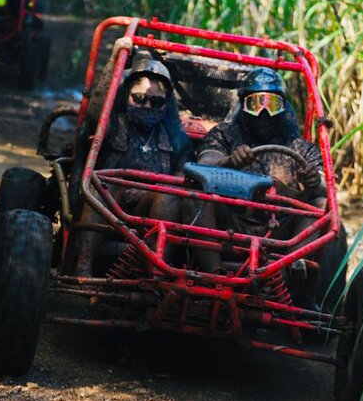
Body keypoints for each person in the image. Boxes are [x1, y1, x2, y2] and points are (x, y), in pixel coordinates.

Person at [194, 67, 346, 310]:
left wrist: (313, 183)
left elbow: (325, 191)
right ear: (242, 105)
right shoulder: (226, 135)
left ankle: (294, 276)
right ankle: (214, 276)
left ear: (283, 107)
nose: (264, 113)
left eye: (272, 103)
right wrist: (229, 161)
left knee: (321, 209)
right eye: (255, 103)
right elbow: (204, 163)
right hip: (229, 222)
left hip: (281, 233)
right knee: (196, 196)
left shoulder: (301, 148)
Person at [74, 40, 193, 276]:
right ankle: (82, 271)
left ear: (166, 105)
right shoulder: (112, 125)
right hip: (106, 203)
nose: (147, 105)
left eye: (156, 102)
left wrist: (151, 190)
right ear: (126, 95)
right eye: (139, 98)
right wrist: (114, 57)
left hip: (148, 211)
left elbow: (183, 177)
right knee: (102, 187)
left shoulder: (174, 139)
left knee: (170, 197)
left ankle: (154, 276)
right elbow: (95, 114)